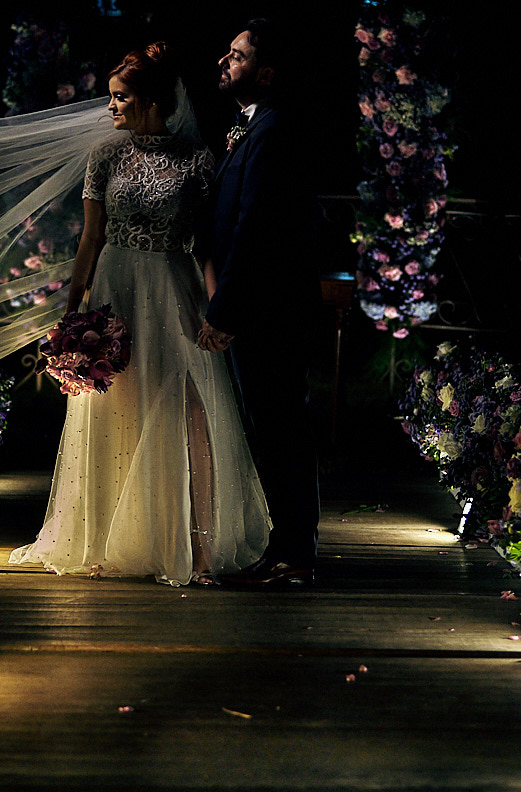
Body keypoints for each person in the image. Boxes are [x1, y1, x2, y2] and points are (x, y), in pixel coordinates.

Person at [9, 43, 271, 587]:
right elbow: (91, 238)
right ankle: (108, 540)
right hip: (117, 291)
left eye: (120, 97)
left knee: (189, 412)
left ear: (151, 99)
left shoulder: (198, 160)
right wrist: (73, 312)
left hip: (174, 290)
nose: (110, 107)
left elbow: (206, 247)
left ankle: (197, 548)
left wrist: (217, 308)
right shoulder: (105, 156)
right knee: (114, 412)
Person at [196, 19, 322, 588]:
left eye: (238, 56)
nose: (225, 61)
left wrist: (224, 310)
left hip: (271, 311)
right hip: (264, 307)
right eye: (227, 53)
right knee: (272, 432)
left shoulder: (272, 129)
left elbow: (254, 230)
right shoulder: (250, 128)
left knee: (282, 432)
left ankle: (296, 553)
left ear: (266, 72)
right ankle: (285, 548)